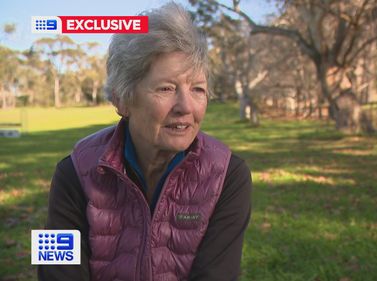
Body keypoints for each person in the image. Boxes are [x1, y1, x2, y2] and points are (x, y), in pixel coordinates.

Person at [38, 3, 252, 281]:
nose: (186, 106)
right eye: (166, 88)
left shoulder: (229, 175)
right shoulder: (71, 171)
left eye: (197, 89)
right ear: (122, 99)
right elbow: (54, 272)